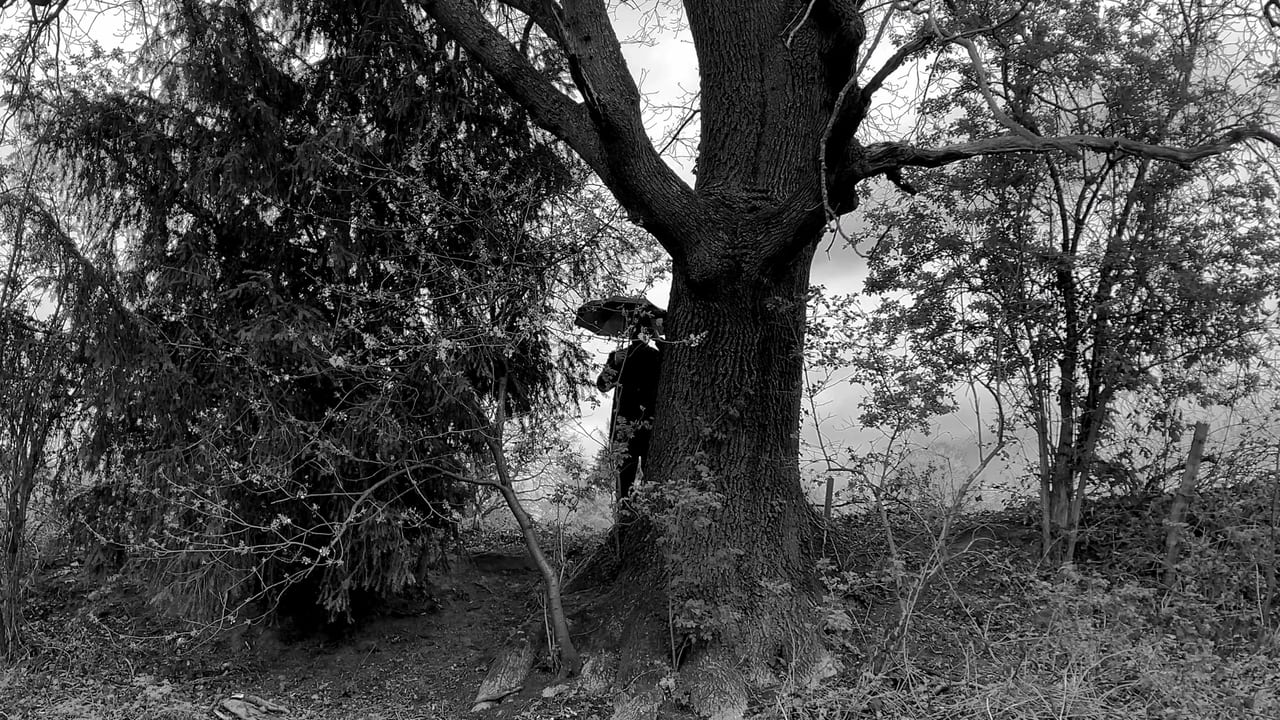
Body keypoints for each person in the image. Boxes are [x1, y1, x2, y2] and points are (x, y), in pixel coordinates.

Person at [596, 322, 662, 500]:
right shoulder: (620, 356)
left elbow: (670, 360)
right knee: (625, 476)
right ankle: (625, 510)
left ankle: (642, 508)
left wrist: (658, 341)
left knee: (650, 473)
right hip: (624, 423)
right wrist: (614, 363)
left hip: (648, 423)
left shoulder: (655, 356)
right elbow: (603, 385)